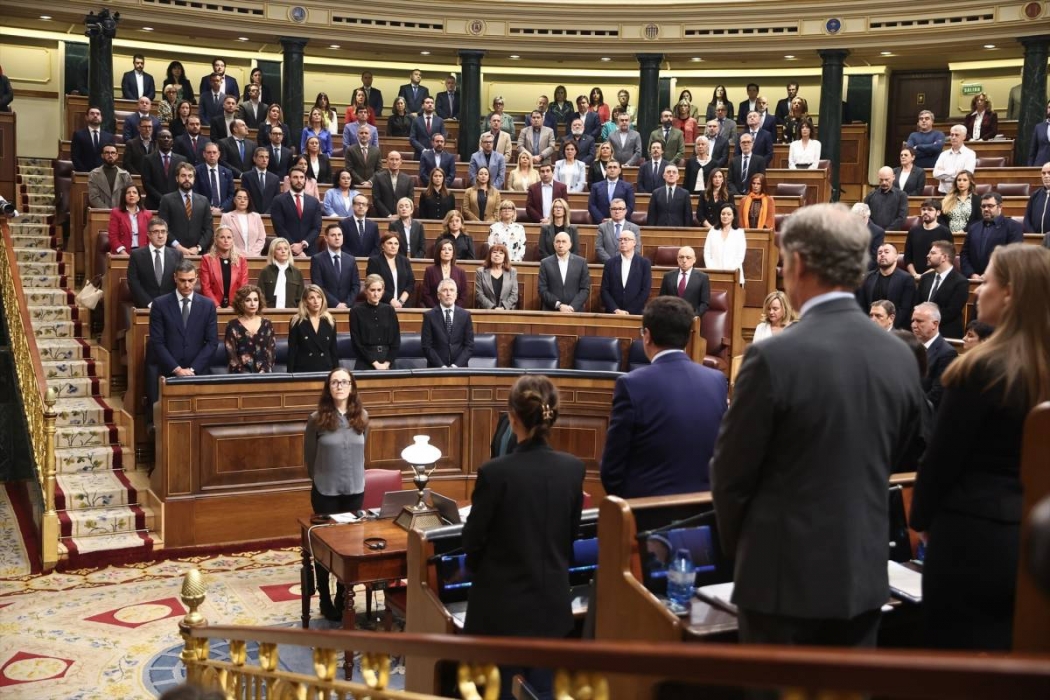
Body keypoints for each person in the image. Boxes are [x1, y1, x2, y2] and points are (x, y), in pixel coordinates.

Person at [710, 203, 925, 649]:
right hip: (863, 576)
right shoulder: (899, 355)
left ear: (799, 264)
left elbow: (731, 476)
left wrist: (744, 553)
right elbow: (899, 450)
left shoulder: (772, 356)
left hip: (780, 582)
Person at [911, 244, 1050, 650]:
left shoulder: (979, 367)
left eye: (986, 280)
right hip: (1036, 541)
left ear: (1009, 294)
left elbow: (941, 459)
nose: (978, 289)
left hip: (972, 540)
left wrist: (919, 521)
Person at [462, 374, 585, 699]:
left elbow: (472, 543)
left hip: (501, 613)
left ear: (512, 417)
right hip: (552, 607)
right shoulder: (573, 469)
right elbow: (571, 535)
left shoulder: (495, 473)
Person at [602, 295, 727, 496]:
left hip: (648, 515)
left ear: (647, 335)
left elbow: (612, 470)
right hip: (704, 511)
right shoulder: (717, 382)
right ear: (687, 336)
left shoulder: (631, 384)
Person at [304, 368, 369, 621]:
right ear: (328, 388)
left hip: (354, 492)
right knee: (323, 549)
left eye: (344, 382)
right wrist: (320, 478)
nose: (340, 386)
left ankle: (343, 595)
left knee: (349, 548)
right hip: (325, 492)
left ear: (352, 386)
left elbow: (363, 453)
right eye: (335, 382)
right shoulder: (316, 419)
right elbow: (309, 458)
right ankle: (324, 598)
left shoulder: (362, 417)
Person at [148, 261, 218, 379]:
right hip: (168, 372)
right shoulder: (160, 304)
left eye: (190, 280)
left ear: (196, 278)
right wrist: (177, 369)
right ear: (175, 278)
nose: (186, 285)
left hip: (198, 372)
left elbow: (212, 342)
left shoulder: (208, 305)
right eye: (182, 280)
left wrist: (193, 369)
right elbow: (157, 342)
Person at [961, 192, 1024, 280]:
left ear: (1000, 207)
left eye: (990, 206)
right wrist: (972, 274)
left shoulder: (1013, 227)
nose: (986, 209)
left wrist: (989, 274)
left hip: (1000, 279)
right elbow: (965, 254)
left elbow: (1013, 256)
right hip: (974, 279)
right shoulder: (973, 228)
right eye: (983, 206)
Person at [916, 240, 969, 339]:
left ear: (944, 257)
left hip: (946, 333)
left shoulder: (961, 282)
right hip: (922, 332)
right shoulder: (925, 278)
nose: (928, 256)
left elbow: (952, 311)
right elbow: (917, 303)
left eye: (933, 253)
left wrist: (927, 321)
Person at [157, 162, 213, 255]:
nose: (187, 179)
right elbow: (164, 227)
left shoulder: (203, 201)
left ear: (194, 179)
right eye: (183, 175)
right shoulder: (167, 199)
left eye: (190, 176)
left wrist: (198, 247)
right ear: (177, 178)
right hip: (173, 252)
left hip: (197, 253)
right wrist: (178, 246)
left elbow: (208, 229)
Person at [855, 243, 915, 329]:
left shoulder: (906, 279)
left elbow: (905, 309)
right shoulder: (868, 277)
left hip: (896, 329)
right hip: (870, 327)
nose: (882, 254)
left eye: (886, 252)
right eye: (879, 253)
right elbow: (862, 305)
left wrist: (889, 328)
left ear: (896, 257)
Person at [911, 301, 958, 409]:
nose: (914, 325)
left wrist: (912, 408)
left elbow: (937, 394)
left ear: (935, 324)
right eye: (913, 320)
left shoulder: (947, 353)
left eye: (919, 321)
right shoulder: (911, 346)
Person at [127, 217, 183, 308]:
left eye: (163, 231)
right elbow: (133, 282)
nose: (160, 235)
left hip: (171, 306)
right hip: (145, 307)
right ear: (148, 234)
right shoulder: (136, 255)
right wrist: (149, 303)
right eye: (156, 232)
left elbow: (180, 280)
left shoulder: (177, 255)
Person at [351, 274, 401, 371]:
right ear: (366, 291)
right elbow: (356, 342)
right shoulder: (356, 311)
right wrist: (375, 363)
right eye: (372, 290)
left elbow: (396, 340)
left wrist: (387, 363)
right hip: (365, 361)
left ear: (383, 291)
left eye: (379, 290)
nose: (376, 294)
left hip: (388, 361)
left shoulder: (390, 310)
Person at [422, 279, 475, 368]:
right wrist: (441, 366)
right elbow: (426, 346)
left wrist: (456, 365)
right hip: (436, 369)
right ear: (438, 295)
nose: (448, 293)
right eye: (444, 290)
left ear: (456, 295)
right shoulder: (429, 316)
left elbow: (469, 345)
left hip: (460, 368)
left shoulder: (465, 315)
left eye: (451, 290)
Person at [271, 168, 323, 257]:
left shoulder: (314, 202)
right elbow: (279, 227)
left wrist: (303, 244)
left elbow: (317, 227)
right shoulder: (278, 200)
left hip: (310, 249)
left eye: (302, 177)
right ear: (289, 179)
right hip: (286, 250)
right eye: (295, 177)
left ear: (305, 180)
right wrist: (292, 246)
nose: (299, 180)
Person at [223, 284, 275, 373]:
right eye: (248, 300)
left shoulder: (267, 324)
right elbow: (231, 356)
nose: (252, 303)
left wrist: (264, 372)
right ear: (240, 302)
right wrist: (245, 375)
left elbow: (271, 354)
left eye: (256, 300)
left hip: (264, 376)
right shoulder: (232, 325)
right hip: (240, 378)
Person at [287, 284, 339, 373]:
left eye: (319, 297)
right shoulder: (296, 321)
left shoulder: (330, 321)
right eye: (311, 298)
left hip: (326, 369)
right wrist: (290, 376)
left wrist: (337, 372)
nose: (316, 301)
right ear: (305, 301)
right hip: (304, 370)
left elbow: (333, 350)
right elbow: (291, 351)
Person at [600, 228, 651, 315]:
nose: (622, 242)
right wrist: (615, 309)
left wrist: (629, 311)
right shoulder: (610, 263)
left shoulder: (644, 263)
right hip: (613, 313)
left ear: (634, 242)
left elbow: (645, 290)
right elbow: (604, 290)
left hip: (635, 313)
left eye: (626, 239)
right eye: (620, 239)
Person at [310, 224, 362, 310]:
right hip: (326, 308)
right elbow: (318, 286)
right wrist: (336, 304)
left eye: (339, 235)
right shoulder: (317, 259)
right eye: (333, 235)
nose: (337, 238)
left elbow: (356, 285)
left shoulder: (351, 260)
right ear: (326, 238)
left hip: (348, 308)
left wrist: (346, 304)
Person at [539, 232, 591, 313]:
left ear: (570, 244)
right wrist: (559, 305)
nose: (560, 245)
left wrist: (572, 307)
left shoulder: (581, 262)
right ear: (554, 244)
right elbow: (542, 289)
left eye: (564, 242)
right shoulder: (545, 263)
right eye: (558, 242)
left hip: (575, 311)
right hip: (551, 311)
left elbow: (585, 289)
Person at [199, 225, 248, 309]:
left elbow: (243, 287)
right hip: (212, 306)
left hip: (235, 306)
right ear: (216, 240)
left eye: (229, 237)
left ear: (233, 240)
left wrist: (233, 305)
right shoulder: (207, 259)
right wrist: (216, 306)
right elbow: (206, 287)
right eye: (222, 237)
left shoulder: (241, 260)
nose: (226, 241)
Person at [365, 232, 415, 308]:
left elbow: (410, 283)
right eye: (389, 243)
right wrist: (391, 300)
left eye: (396, 244)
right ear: (383, 245)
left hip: (403, 305)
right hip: (382, 304)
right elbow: (373, 283)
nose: (393, 246)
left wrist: (401, 301)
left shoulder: (405, 261)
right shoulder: (374, 261)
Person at [140, 129, 186, 209]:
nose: (166, 139)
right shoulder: (148, 159)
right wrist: (162, 199)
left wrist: (173, 199)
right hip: (154, 203)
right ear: (157, 141)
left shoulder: (182, 160)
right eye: (163, 137)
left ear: (172, 141)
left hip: (176, 203)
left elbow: (183, 180)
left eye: (168, 137)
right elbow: (146, 183)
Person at [658, 246, 709, 318]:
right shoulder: (668, 276)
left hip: (691, 320)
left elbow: (705, 304)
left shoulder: (702, 278)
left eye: (688, 257)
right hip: (670, 320)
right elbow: (662, 300)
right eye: (681, 257)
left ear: (694, 260)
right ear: (677, 259)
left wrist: (692, 317)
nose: (684, 260)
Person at [257, 237, 304, 310]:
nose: (283, 251)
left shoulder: (297, 272)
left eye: (286, 248)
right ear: (273, 252)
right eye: (279, 249)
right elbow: (260, 296)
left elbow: (301, 298)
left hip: (291, 313)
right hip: (269, 312)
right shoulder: (265, 272)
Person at [704, 204, 747, 281]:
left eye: (728, 214)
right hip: (714, 274)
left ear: (733, 216)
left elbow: (740, 256)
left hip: (734, 275)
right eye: (723, 214)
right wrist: (713, 270)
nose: (725, 216)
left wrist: (728, 272)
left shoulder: (739, 233)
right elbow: (707, 252)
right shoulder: (713, 231)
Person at [421, 238, 467, 308]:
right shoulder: (430, 271)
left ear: (453, 253)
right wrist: (437, 309)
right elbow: (425, 294)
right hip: (435, 310)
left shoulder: (460, 272)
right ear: (439, 252)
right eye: (443, 249)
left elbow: (464, 295)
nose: (447, 252)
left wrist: (454, 308)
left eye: (450, 249)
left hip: (455, 311)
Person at [107, 184, 152, 254]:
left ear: (139, 197)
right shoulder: (116, 213)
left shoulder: (147, 214)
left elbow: (150, 236)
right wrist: (122, 252)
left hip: (143, 253)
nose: (131, 195)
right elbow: (113, 236)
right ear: (124, 197)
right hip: (123, 252)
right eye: (128, 192)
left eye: (134, 192)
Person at [933, 125, 977, 195]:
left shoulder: (970, 154)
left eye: (957, 135)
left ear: (964, 137)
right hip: (944, 193)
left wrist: (944, 174)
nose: (953, 137)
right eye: (952, 135)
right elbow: (935, 174)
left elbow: (966, 176)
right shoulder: (943, 154)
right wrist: (954, 172)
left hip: (961, 193)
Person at [595, 198, 640, 263]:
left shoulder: (634, 228)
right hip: (608, 265)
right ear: (610, 210)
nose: (617, 211)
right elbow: (599, 248)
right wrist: (610, 262)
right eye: (614, 209)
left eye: (620, 209)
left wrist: (625, 261)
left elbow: (637, 249)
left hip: (628, 264)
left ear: (625, 211)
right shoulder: (602, 227)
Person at [194, 142, 234, 213]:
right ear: (204, 154)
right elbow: (195, 192)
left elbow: (231, 195)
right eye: (209, 152)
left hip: (223, 212)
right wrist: (208, 207)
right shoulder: (197, 171)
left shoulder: (228, 172)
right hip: (203, 211)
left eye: (214, 152)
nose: (212, 155)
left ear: (218, 154)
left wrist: (221, 208)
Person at [864, 166, 908, 231]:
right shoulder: (870, 196)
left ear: (893, 177)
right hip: (874, 234)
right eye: (881, 180)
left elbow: (902, 218)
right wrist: (877, 231)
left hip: (892, 235)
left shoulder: (902, 195)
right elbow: (865, 216)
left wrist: (887, 231)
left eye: (887, 179)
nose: (884, 182)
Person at [73, 106, 116, 172]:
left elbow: (111, 157)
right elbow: (75, 157)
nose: (95, 116)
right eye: (92, 113)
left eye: (98, 114)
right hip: (84, 174)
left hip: (104, 175)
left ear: (101, 118)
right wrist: (86, 173)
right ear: (86, 117)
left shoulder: (109, 137)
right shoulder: (78, 135)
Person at [91, 144, 135, 210]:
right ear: (102, 155)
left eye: (113, 153)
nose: (110, 155)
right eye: (107, 153)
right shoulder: (94, 174)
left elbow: (130, 196)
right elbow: (93, 197)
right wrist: (108, 211)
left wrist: (119, 211)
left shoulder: (125, 175)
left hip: (121, 213)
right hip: (102, 213)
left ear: (117, 155)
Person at [372, 152, 414, 219]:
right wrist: (389, 215)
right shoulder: (378, 178)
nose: (394, 162)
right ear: (387, 161)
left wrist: (400, 214)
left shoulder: (408, 179)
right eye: (391, 159)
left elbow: (410, 199)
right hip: (383, 217)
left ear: (401, 161)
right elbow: (376, 199)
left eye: (397, 159)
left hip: (402, 217)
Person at [475, 244, 518, 310]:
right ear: (490, 255)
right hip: (486, 311)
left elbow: (514, 294)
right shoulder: (481, 271)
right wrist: (493, 308)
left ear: (505, 257)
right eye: (494, 252)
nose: (497, 255)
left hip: (507, 311)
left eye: (501, 253)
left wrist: (504, 307)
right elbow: (479, 294)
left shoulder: (512, 272)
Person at [938, 170, 981, 236]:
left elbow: (978, 220)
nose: (961, 182)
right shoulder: (947, 199)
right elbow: (941, 218)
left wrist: (964, 231)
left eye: (965, 180)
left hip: (969, 234)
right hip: (949, 235)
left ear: (970, 182)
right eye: (959, 180)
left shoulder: (977, 200)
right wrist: (947, 232)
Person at [338, 194, 380, 259]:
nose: (361, 206)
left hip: (369, 262)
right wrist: (351, 259)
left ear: (367, 207)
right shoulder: (344, 223)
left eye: (363, 204)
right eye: (358, 204)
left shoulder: (373, 225)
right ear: (352, 206)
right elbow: (342, 244)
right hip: (348, 261)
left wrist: (369, 259)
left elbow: (377, 246)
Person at [242, 146, 281, 215]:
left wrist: (267, 213)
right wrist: (254, 213)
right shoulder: (247, 176)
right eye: (261, 157)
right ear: (254, 159)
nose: (264, 160)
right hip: (251, 214)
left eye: (267, 157)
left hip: (269, 216)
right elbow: (246, 197)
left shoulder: (275, 178)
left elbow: (276, 199)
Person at [1024, 162, 1050, 235]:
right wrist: (1034, 236)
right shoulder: (1035, 195)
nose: (1046, 176)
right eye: (1043, 173)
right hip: (1035, 240)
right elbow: (1027, 220)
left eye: (1049, 173)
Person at [1028, 99, 1050, 167]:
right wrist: (1030, 169)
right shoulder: (1039, 127)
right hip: (1040, 165)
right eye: (1049, 107)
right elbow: (1032, 151)